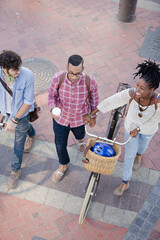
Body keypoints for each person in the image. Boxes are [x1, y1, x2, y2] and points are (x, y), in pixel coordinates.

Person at [90, 60, 160, 196]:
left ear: (152, 90)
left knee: (142, 147)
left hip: (148, 130)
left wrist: (139, 130)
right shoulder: (132, 93)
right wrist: (93, 114)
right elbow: (112, 101)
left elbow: (155, 119)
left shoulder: (158, 101)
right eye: (137, 86)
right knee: (129, 155)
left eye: (142, 88)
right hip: (130, 129)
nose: (137, 90)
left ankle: (139, 156)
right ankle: (125, 182)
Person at [48, 54, 99, 183]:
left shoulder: (90, 81)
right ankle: (63, 165)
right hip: (61, 119)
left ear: (83, 69)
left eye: (78, 74)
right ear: (66, 67)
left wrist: (93, 115)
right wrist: (52, 108)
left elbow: (94, 100)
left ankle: (81, 141)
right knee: (60, 144)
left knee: (80, 134)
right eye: (71, 73)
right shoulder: (57, 78)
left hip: (80, 119)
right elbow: (51, 96)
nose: (74, 77)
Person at [0, 50, 37, 189]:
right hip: (6, 110)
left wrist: (14, 120)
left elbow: (28, 101)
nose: (18, 71)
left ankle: (15, 170)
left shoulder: (27, 75)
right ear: (4, 68)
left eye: (19, 67)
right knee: (24, 128)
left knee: (18, 142)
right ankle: (33, 134)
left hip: (20, 114)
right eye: (14, 69)